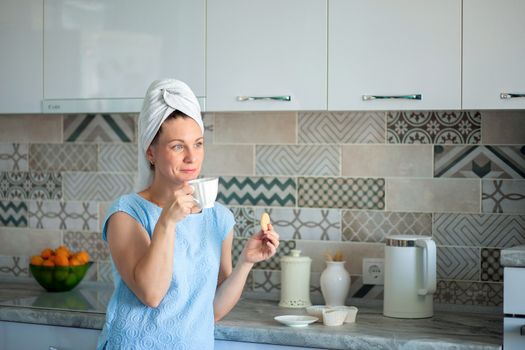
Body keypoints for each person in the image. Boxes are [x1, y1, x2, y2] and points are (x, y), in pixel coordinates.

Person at [96, 79, 280, 349]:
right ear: (151, 152)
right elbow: (152, 294)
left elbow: (212, 311)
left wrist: (246, 263)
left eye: (198, 144)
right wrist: (167, 222)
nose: (192, 158)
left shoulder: (219, 219)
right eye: (177, 146)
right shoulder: (126, 214)